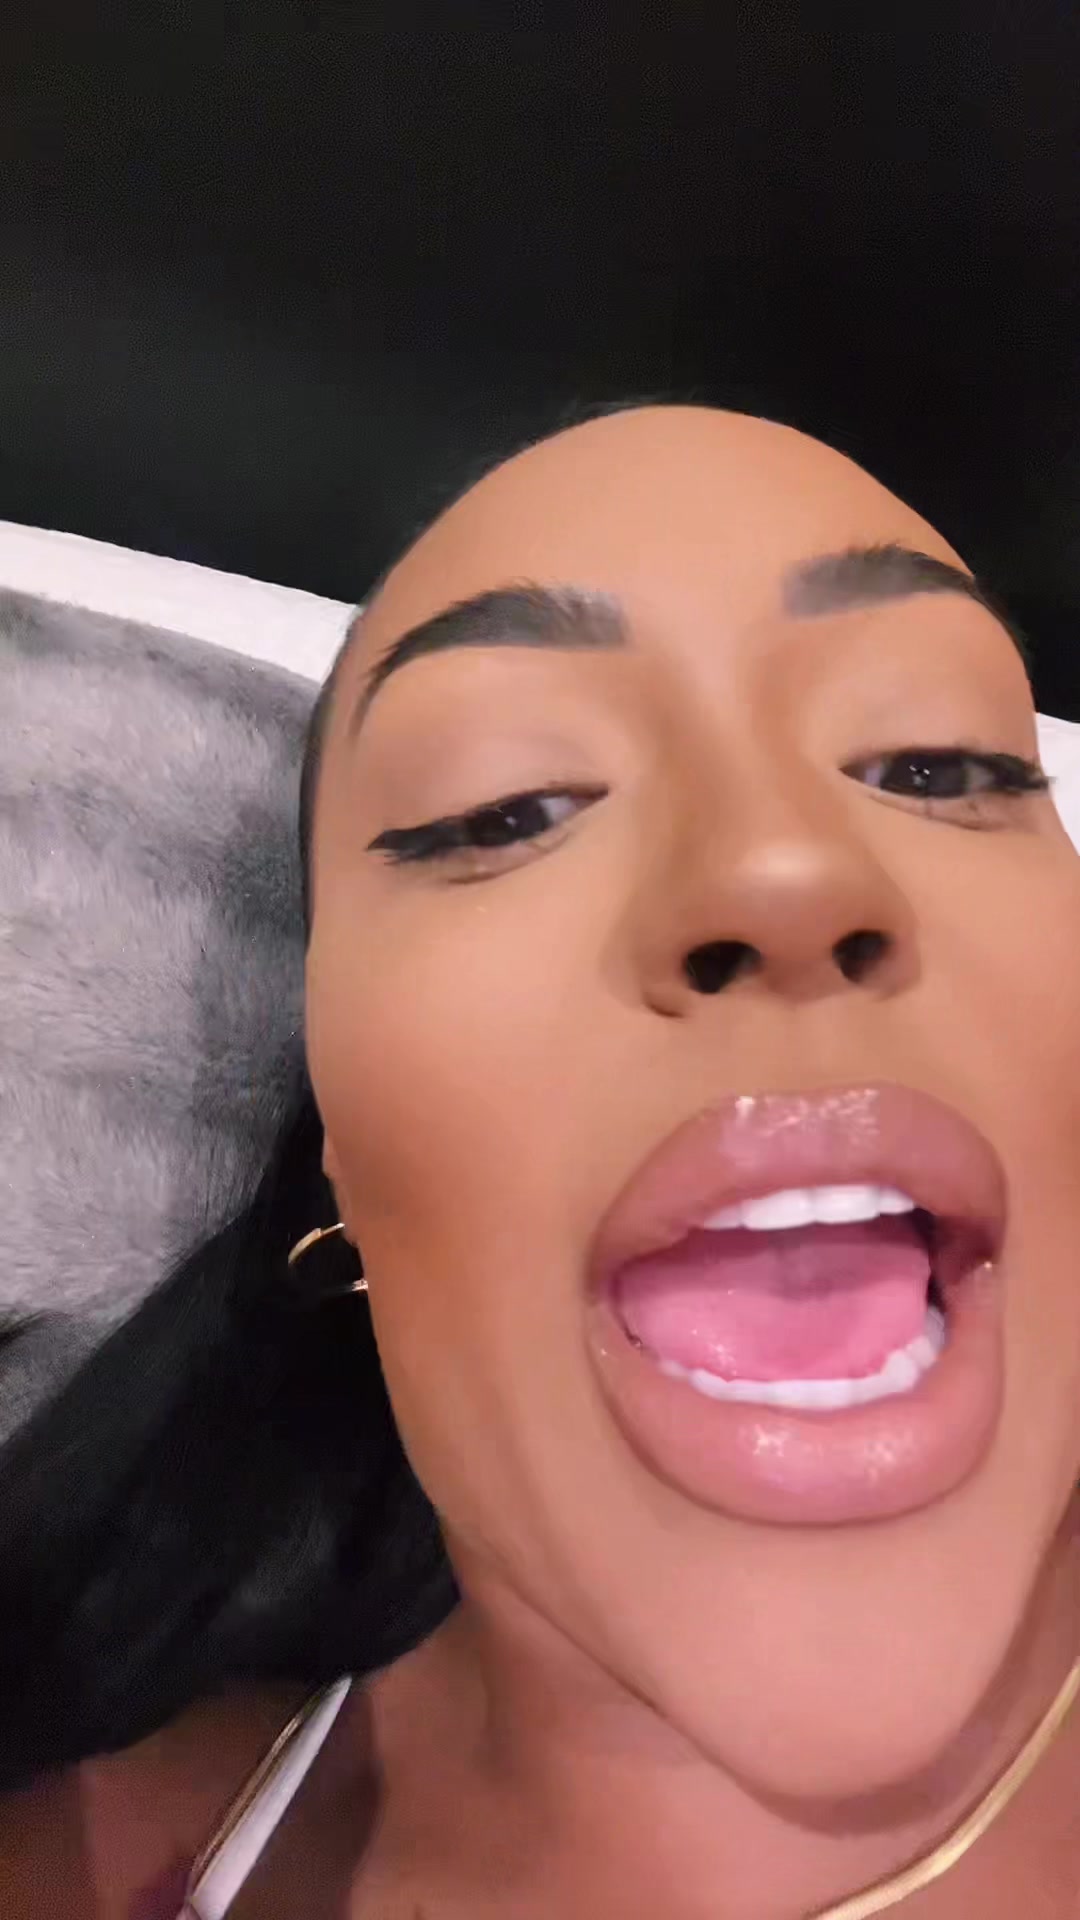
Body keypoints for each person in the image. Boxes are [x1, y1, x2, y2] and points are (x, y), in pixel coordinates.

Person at [6, 404, 1080, 1917]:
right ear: (337, 1169)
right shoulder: (97, 1841)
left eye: (935, 764)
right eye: (507, 808)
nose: (780, 870)